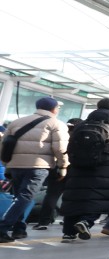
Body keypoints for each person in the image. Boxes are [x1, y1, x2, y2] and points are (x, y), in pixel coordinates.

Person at [59, 99, 109, 241]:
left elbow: (71, 146)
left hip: (78, 167)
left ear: (97, 107)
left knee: (74, 198)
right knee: (98, 198)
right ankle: (86, 221)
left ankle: (68, 232)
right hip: (105, 167)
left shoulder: (81, 125)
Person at [0, 97, 69, 243]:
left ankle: (19, 229)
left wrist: (7, 163)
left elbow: (4, 145)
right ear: (54, 108)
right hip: (38, 166)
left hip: (15, 166)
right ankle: (2, 228)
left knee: (19, 197)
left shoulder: (16, 122)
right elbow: (60, 148)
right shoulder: (56, 123)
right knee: (25, 197)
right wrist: (63, 166)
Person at [32, 118, 83, 231]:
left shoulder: (60, 135)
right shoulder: (82, 137)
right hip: (75, 169)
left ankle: (44, 221)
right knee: (73, 196)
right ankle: (68, 220)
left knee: (52, 194)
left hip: (58, 167)